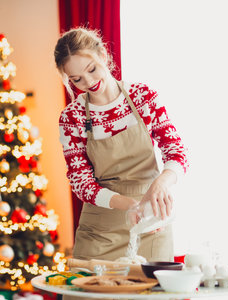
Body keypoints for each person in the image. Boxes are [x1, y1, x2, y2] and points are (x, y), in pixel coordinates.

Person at [54, 27, 188, 264]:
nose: (89, 82)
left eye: (92, 69)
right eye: (77, 79)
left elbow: (176, 150)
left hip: (151, 222)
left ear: (103, 55)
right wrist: (129, 205)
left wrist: (160, 184)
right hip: (100, 233)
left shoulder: (143, 97)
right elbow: (80, 182)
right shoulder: (72, 118)